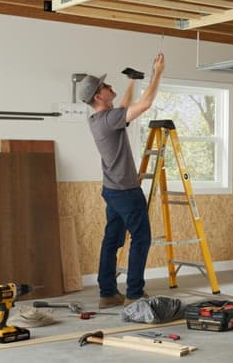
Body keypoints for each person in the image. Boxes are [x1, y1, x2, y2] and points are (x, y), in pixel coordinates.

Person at [79, 53, 165, 307]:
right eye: (106, 86)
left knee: (112, 240)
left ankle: (107, 293)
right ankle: (135, 294)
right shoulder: (108, 119)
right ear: (98, 96)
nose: (109, 87)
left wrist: (131, 82)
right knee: (141, 238)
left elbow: (121, 110)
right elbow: (145, 104)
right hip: (126, 191)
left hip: (112, 190)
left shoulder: (99, 119)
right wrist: (157, 72)